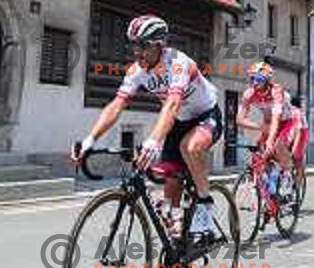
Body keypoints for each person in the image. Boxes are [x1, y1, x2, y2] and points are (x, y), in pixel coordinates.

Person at [71, 15, 223, 243]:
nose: (137, 51)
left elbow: (172, 104)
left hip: (205, 115)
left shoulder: (179, 63)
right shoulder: (137, 70)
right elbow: (116, 106)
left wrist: (153, 141)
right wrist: (90, 139)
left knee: (189, 147)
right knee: (170, 177)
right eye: (134, 45)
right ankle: (176, 238)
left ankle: (204, 206)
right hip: (178, 122)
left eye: (142, 45)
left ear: (159, 44)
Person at [236, 61, 295, 172]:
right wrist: (260, 127)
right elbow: (239, 119)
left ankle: (287, 173)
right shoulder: (249, 94)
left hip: (286, 122)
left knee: (278, 145)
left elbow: (276, 117)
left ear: (267, 81)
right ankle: (265, 181)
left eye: (259, 79)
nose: (254, 82)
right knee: (260, 152)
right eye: (252, 78)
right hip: (268, 124)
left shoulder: (276, 91)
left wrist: (270, 139)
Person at [289, 94, 309, 185]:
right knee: (299, 163)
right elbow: (301, 130)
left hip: (290, 135)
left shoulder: (290, 111)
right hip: (300, 136)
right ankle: (297, 186)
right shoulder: (300, 113)